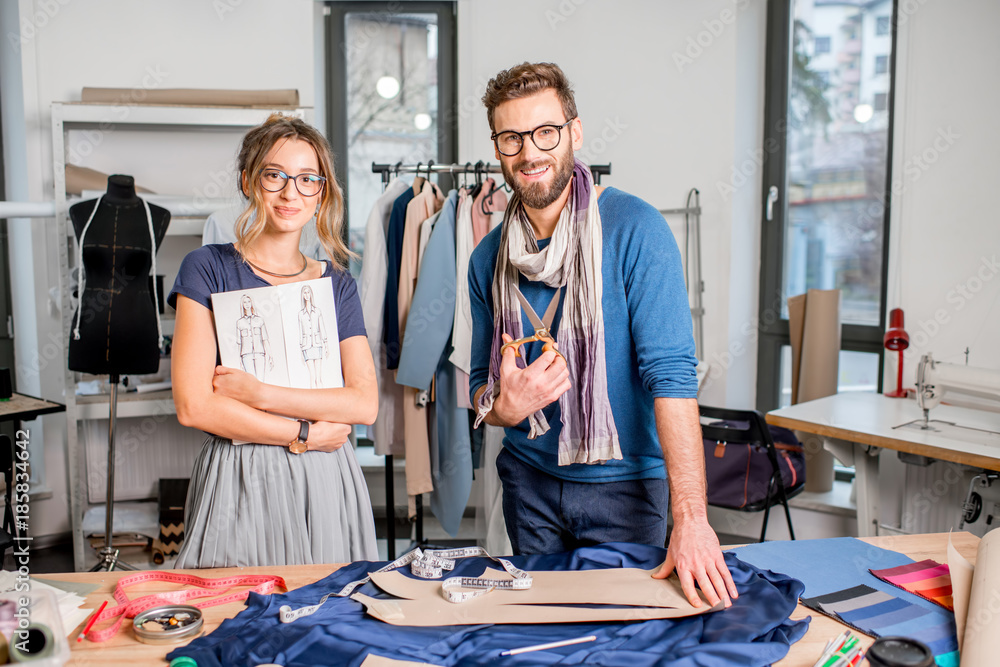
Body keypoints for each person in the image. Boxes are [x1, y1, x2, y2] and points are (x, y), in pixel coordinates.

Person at [469, 62, 737, 608]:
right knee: (543, 633)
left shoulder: (636, 230)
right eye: (511, 138)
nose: (530, 152)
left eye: (545, 132)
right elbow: (478, 389)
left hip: (627, 491)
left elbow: (672, 379)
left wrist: (692, 519)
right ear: (497, 146)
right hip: (528, 483)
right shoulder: (485, 259)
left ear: (575, 131)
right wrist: (503, 406)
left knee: (623, 639)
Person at [169, 113, 378, 568]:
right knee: (234, 618)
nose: (291, 193)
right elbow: (194, 405)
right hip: (240, 474)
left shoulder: (336, 283)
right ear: (248, 181)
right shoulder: (207, 267)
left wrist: (259, 394)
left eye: (307, 179)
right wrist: (303, 432)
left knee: (328, 615)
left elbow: (363, 404)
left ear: (321, 192)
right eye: (275, 176)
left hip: (327, 477)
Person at [298, 284, 329, 388]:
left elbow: (322, 328)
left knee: (318, 377)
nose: (307, 295)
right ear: (302, 295)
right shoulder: (300, 314)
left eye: (308, 292)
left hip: (317, 344)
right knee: (312, 376)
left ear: (311, 294)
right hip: (306, 346)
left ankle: (323, 400)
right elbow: (300, 331)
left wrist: (326, 345)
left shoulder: (317, 311)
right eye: (305, 293)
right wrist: (301, 350)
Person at [236, 294, 273, 381]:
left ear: (252, 303)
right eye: (245, 302)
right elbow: (239, 343)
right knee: (251, 382)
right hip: (246, 355)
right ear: (242, 305)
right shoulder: (239, 322)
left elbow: (265, 339)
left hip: (259, 353)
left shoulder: (259, 320)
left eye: (249, 301)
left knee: (261, 380)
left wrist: (271, 356)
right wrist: (239, 360)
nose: (247, 304)